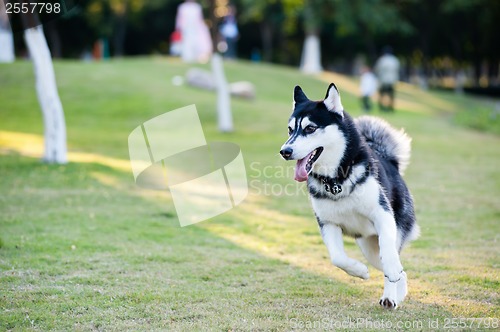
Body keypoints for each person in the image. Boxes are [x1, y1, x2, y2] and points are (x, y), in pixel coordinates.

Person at [374, 46, 400, 111]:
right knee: (391, 95)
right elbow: (397, 69)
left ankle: (382, 107)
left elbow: (377, 69)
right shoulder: (395, 60)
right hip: (392, 80)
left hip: (383, 80)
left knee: (382, 94)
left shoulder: (382, 60)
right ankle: (390, 107)